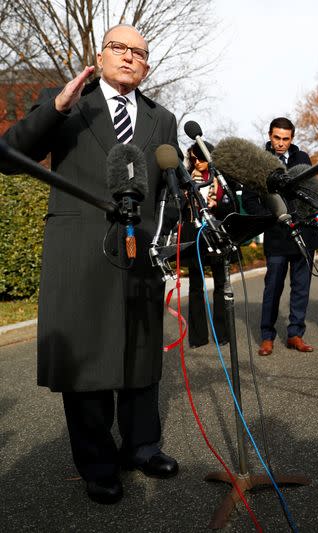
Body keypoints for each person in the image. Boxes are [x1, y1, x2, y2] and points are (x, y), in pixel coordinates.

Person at [0, 24, 179, 504]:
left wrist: (167, 238)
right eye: (119, 48)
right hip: (79, 248)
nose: (129, 57)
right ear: (100, 57)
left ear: (147, 65)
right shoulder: (68, 101)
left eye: (139, 52)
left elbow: (168, 187)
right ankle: (97, 465)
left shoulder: (162, 118)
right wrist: (56, 107)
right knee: (88, 362)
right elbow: (12, 155)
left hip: (140, 251)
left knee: (141, 353)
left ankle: (142, 446)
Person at [241, 117, 318, 356]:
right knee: (273, 287)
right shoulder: (258, 162)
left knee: (301, 287)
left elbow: (313, 191)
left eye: (286, 139)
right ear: (269, 135)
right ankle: (267, 336)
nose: (281, 143)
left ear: (292, 138)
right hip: (276, 235)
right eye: (277, 137)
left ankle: (296, 334)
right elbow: (248, 200)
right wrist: (272, 216)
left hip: (304, 233)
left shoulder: (302, 159)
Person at [184, 141, 231, 349]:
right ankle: (197, 336)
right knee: (196, 286)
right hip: (195, 236)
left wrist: (216, 204)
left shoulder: (220, 178)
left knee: (220, 285)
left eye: (200, 158)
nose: (197, 162)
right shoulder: (186, 179)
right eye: (193, 159)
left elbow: (230, 205)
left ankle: (222, 333)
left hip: (217, 234)